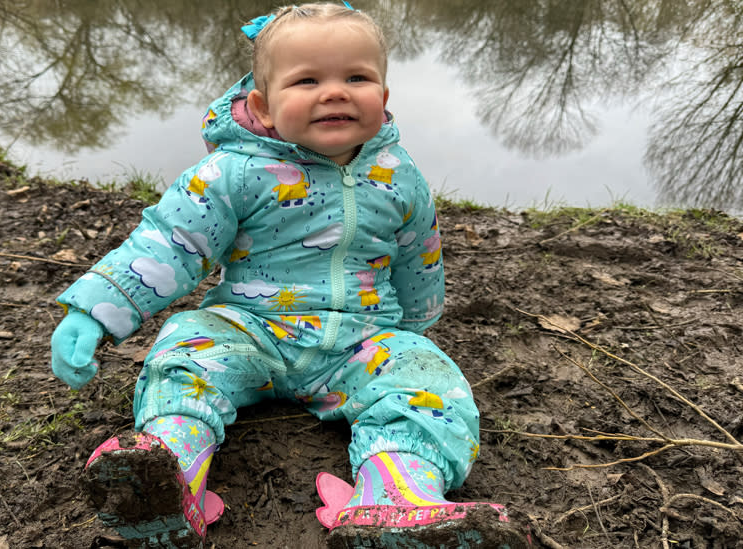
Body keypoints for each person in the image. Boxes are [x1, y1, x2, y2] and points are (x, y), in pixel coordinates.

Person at [51, 3, 529, 547]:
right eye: (307, 80)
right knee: (185, 348)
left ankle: (396, 498)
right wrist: (96, 308)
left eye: (357, 77)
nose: (335, 92)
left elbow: (420, 253)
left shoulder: (400, 175)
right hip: (251, 327)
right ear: (265, 105)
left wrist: (415, 332)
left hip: (362, 337)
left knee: (427, 382)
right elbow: (171, 242)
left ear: (385, 96)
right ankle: (166, 477)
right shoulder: (232, 172)